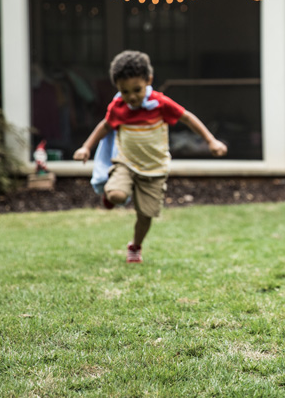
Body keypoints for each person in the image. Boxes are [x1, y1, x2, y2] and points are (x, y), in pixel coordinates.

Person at [73, 50, 227, 263]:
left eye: (137, 90)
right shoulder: (119, 107)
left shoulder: (160, 104)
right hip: (126, 163)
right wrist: (86, 147)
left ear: (149, 81)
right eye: (125, 92)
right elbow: (105, 126)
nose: (132, 97)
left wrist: (211, 141)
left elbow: (188, 118)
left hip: (155, 169)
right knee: (117, 195)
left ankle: (135, 246)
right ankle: (111, 194)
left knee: (145, 216)